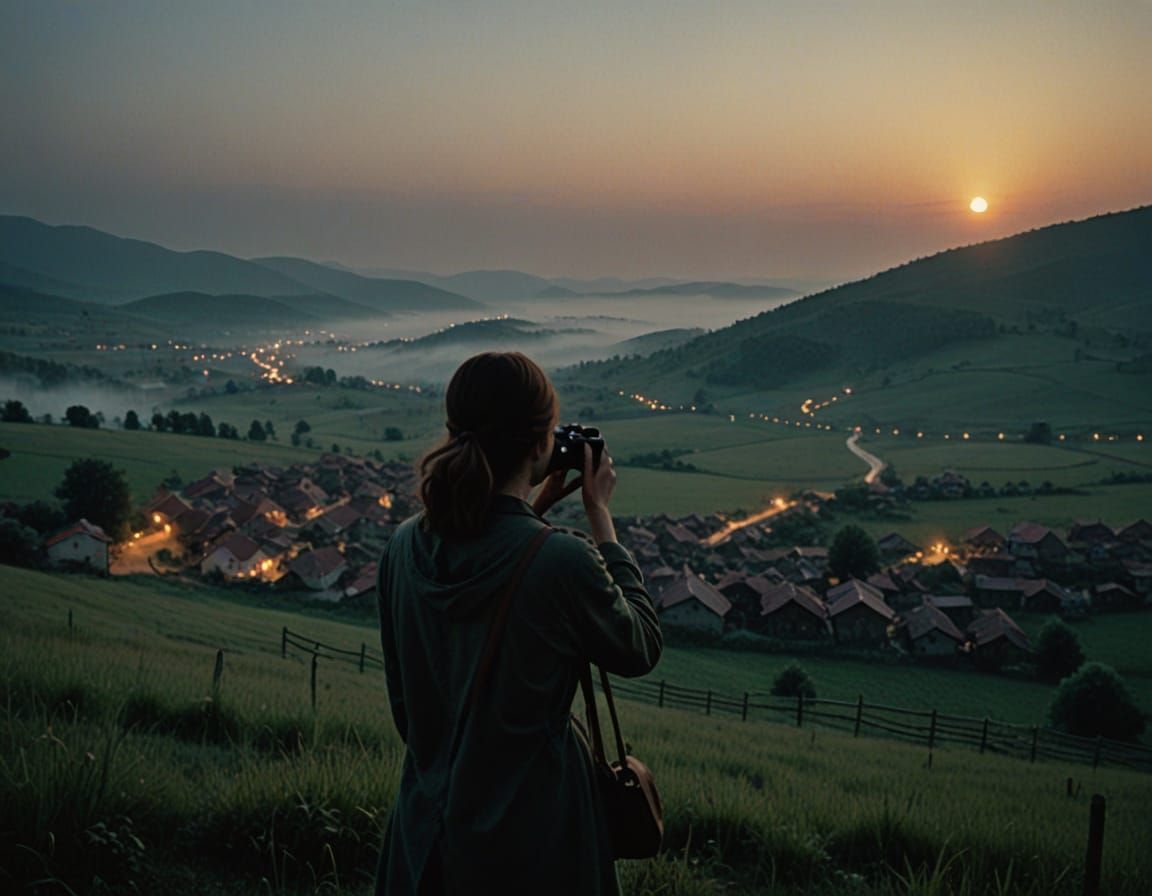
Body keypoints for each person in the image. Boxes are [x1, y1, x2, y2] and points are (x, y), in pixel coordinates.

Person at [375, 352, 662, 895]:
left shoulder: (403, 545)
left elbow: (408, 712)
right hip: (536, 839)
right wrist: (600, 517)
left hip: (425, 834)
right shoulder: (561, 561)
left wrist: (531, 509)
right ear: (539, 446)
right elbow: (640, 646)